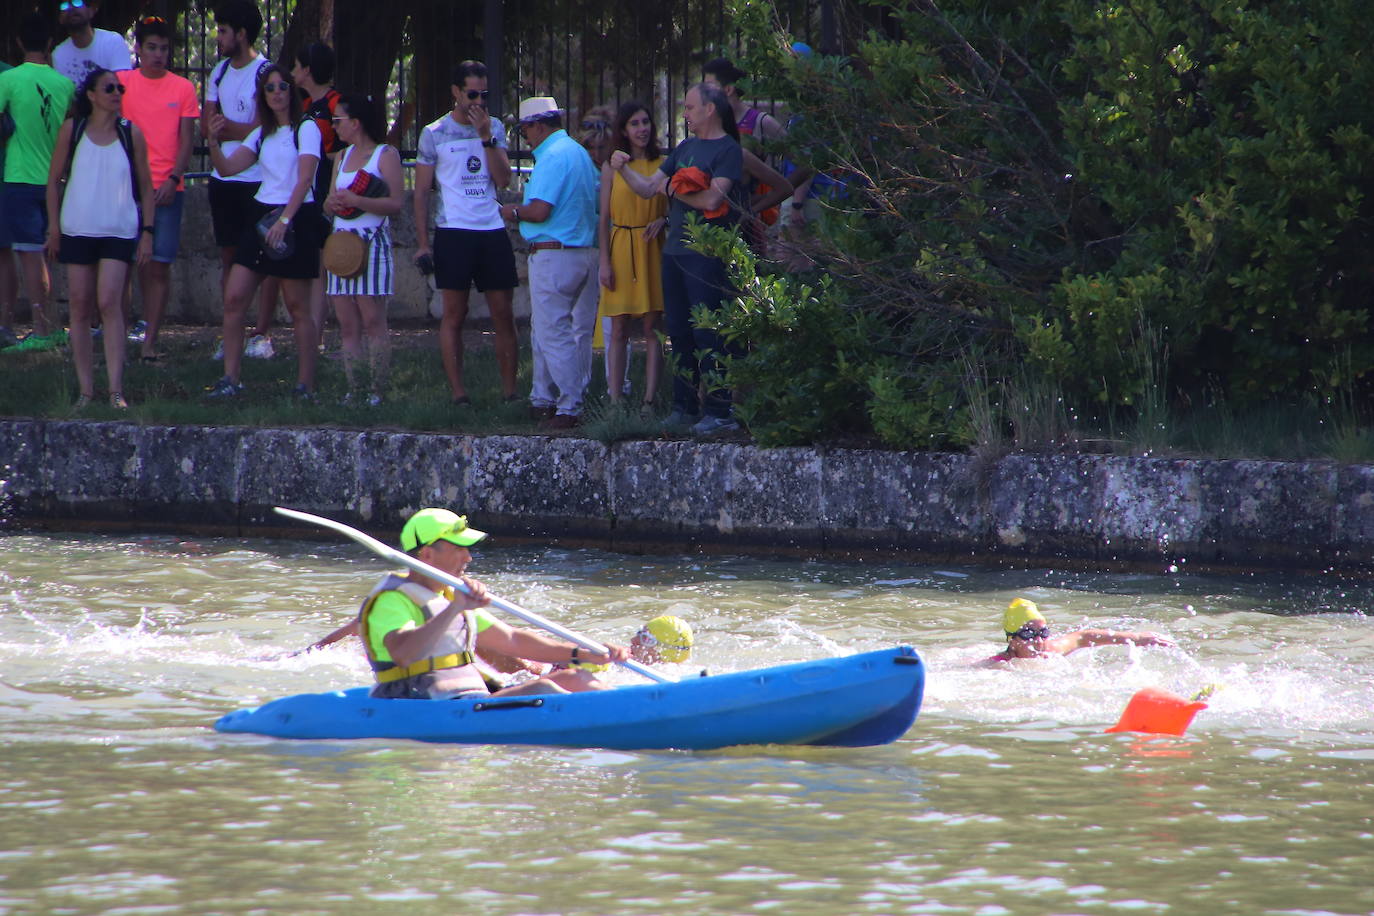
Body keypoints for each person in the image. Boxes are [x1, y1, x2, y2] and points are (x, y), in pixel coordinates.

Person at [359, 508, 629, 700]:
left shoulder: (450, 595)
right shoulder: (392, 600)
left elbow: (512, 640)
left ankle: (630, 708)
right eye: (459, 549)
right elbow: (403, 654)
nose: (468, 558)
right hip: (420, 703)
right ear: (427, 554)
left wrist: (581, 654)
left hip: (466, 698)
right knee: (545, 689)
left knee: (575, 677)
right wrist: (456, 609)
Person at [610, 82, 747, 436]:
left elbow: (712, 201)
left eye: (688, 107)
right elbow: (646, 188)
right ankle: (683, 407)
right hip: (674, 254)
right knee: (680, 334)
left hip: (706, 254)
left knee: (708, 331)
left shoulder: (729, 150)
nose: (684, 114)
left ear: (709, 110)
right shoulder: (684, 148)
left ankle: (720, 411)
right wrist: (623, 168)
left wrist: (673, 189)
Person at [204, 64, 321, 399]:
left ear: (291, 91)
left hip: (294, 216)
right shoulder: (260, 133)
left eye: (282, 86)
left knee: (298, 307)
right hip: (260, 215)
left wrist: (284, 221)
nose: (277, 93)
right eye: (270, 89)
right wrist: (213, 140)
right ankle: (231, 379)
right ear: (262, 96)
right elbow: (227, 168)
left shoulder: (306, 128)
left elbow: (305, 179)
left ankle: (305, 385)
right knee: (235, 297)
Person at [43, 67, 154, 409]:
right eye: (109, 88)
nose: (117, 93)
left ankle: (115, 390)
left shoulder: (130, 133)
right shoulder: (71, 130)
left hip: (118, 230)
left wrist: (147, 232)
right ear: (91, 95)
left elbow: (147, 188)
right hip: (78, 227)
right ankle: (86, 390)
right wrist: (54, 227)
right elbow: (53, 181)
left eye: (119, 88)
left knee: (109, 302)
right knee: (79, 304)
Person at [413, 60, 520, 406]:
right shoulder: (434, 133)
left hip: (490, 228)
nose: (478, 101)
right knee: (454, 314)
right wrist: (422, 243)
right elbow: (421, 192)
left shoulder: (495, 127)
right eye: (471, 93)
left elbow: (504, 180)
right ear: (456, 92)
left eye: (484, 94)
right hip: (453, 231)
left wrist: (486, 138)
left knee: (503, 312)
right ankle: (459, 393)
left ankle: (509, 392)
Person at [498, 96, 600, 430]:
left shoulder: (552, 157)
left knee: (552, 333)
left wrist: (511, 211)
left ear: (538, 126)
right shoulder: (578, 153)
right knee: (553, 331)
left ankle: (570, 405)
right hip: (582, 251)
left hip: (554, 253)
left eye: (525, 129)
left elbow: (540, 210)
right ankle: (542, 398)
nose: (524, 137)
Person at [118, 15, 198, 363]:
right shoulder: (120, 84)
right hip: (124, 187)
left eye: (164, 48)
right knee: (120, 265)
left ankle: (150, 341)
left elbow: (186, 141)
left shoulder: (183, 88)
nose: (158, 54)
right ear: (138, 49)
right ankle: (117, 337)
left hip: (167, 189)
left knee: (158, 266)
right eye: (151, 47)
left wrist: (173, 179)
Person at [202, 0, 274, 359]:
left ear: (241, 34)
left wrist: (229, 130)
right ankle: (230, 333)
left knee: (265, 260)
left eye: (225, 30)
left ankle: (261, 334)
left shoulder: (266, 74)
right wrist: (224, 132)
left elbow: (266, 127)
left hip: (258, 181)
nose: (219, 36)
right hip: (222, 179)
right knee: (229, 258)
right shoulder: (218, 72)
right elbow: (208, 124)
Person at [0, 14, 76, 349]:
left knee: (30, 255)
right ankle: (49, 325)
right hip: (53, 180)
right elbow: (70, 128)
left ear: (18, 44)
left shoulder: (10, 79)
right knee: (44, 255)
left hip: (19, 176)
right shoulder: (65, 84)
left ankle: (42, 329)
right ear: (49, 45)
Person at [323, 93, 403, 405]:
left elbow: (396, 203)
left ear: (355, 123)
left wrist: (359, 201)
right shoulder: (341, 158)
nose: (334, 126)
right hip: (341, 243)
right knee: (346, 321)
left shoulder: (385, 155)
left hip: (371, 242)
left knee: (372, 318)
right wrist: (332, 203)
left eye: (338, 121)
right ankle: (354, 388)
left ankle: (376, 390)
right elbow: (331, 201)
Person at [597, 100, 666, 410]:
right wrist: (604, 262)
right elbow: (602, 219)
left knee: (653, 328)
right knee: (619, 328)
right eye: (635, 123)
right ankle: (614, 399)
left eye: (645, 122)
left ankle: (649, 399)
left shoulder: (662, 163)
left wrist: (663, 219)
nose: (642, 128)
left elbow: (677, 204)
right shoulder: (610, 168)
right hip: (621, 245)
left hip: (653, 247)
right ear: (623, 130)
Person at [702, 56, 808, 256]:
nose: (703, 94)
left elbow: (805, 164)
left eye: (709, 86)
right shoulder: (709, 124)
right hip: (712, 221)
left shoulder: (761, 122)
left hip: (747, 224)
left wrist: (766, 200)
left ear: (728, 90)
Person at [288, 40, 343, 353]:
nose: (294, 72)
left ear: (308, 70)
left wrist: (327, 158)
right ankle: (311, 336)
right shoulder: (304, 106)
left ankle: (318, 338)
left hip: (327, 192)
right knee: (312, 268)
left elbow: (347, 148)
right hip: (306, 193)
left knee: (324, 267)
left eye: (297, 66)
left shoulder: (336, 103)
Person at [980, 598, 1177, 666]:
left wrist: (1138, 638)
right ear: (1012, 641)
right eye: (1029, 634)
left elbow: (1084, 636)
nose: (1039, 640)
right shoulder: (1000, 665)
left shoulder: (1052, 650)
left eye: (1043, 632)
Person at [51, 0, 132, 89]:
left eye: (77, 2)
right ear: (60, 19)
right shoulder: (58, 55)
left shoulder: (113, 42)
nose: (71, 8)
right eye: (64, 5)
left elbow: (123, 87)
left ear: (91, 11)